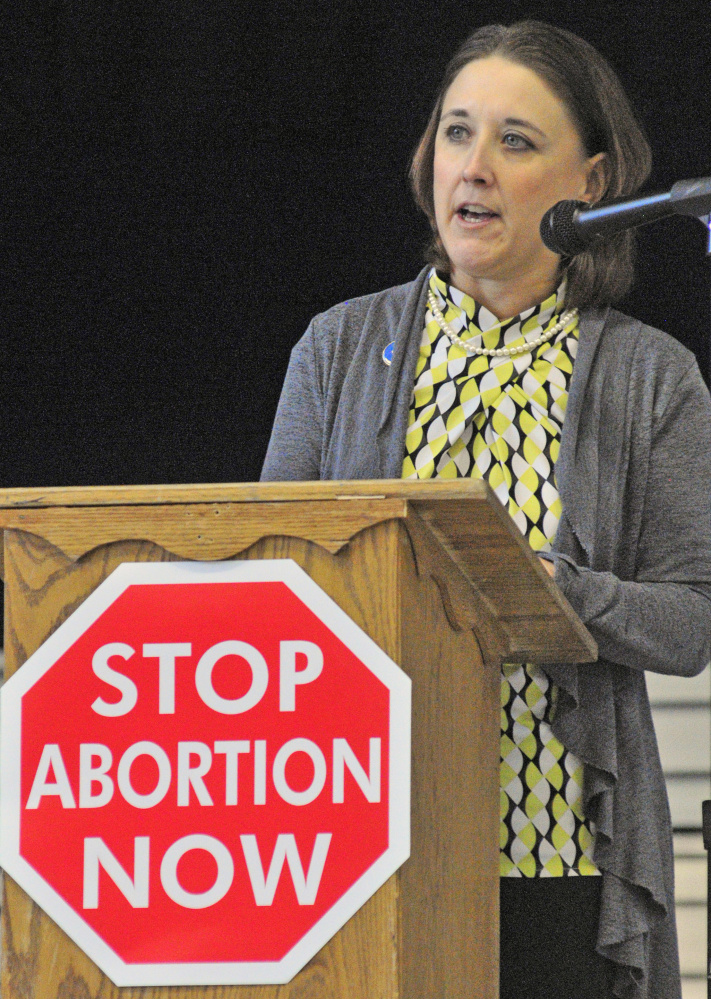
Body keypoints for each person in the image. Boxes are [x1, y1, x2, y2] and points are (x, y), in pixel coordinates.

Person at [261, 20, 711, 999]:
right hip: (360, 856)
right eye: (458, 133)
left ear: (591, 181)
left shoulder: (651, 378)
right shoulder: (338, 353)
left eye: (516, 141)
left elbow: (689, 624)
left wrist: (552, 594)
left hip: (562, 860)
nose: (475, 166)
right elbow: (269, 602)